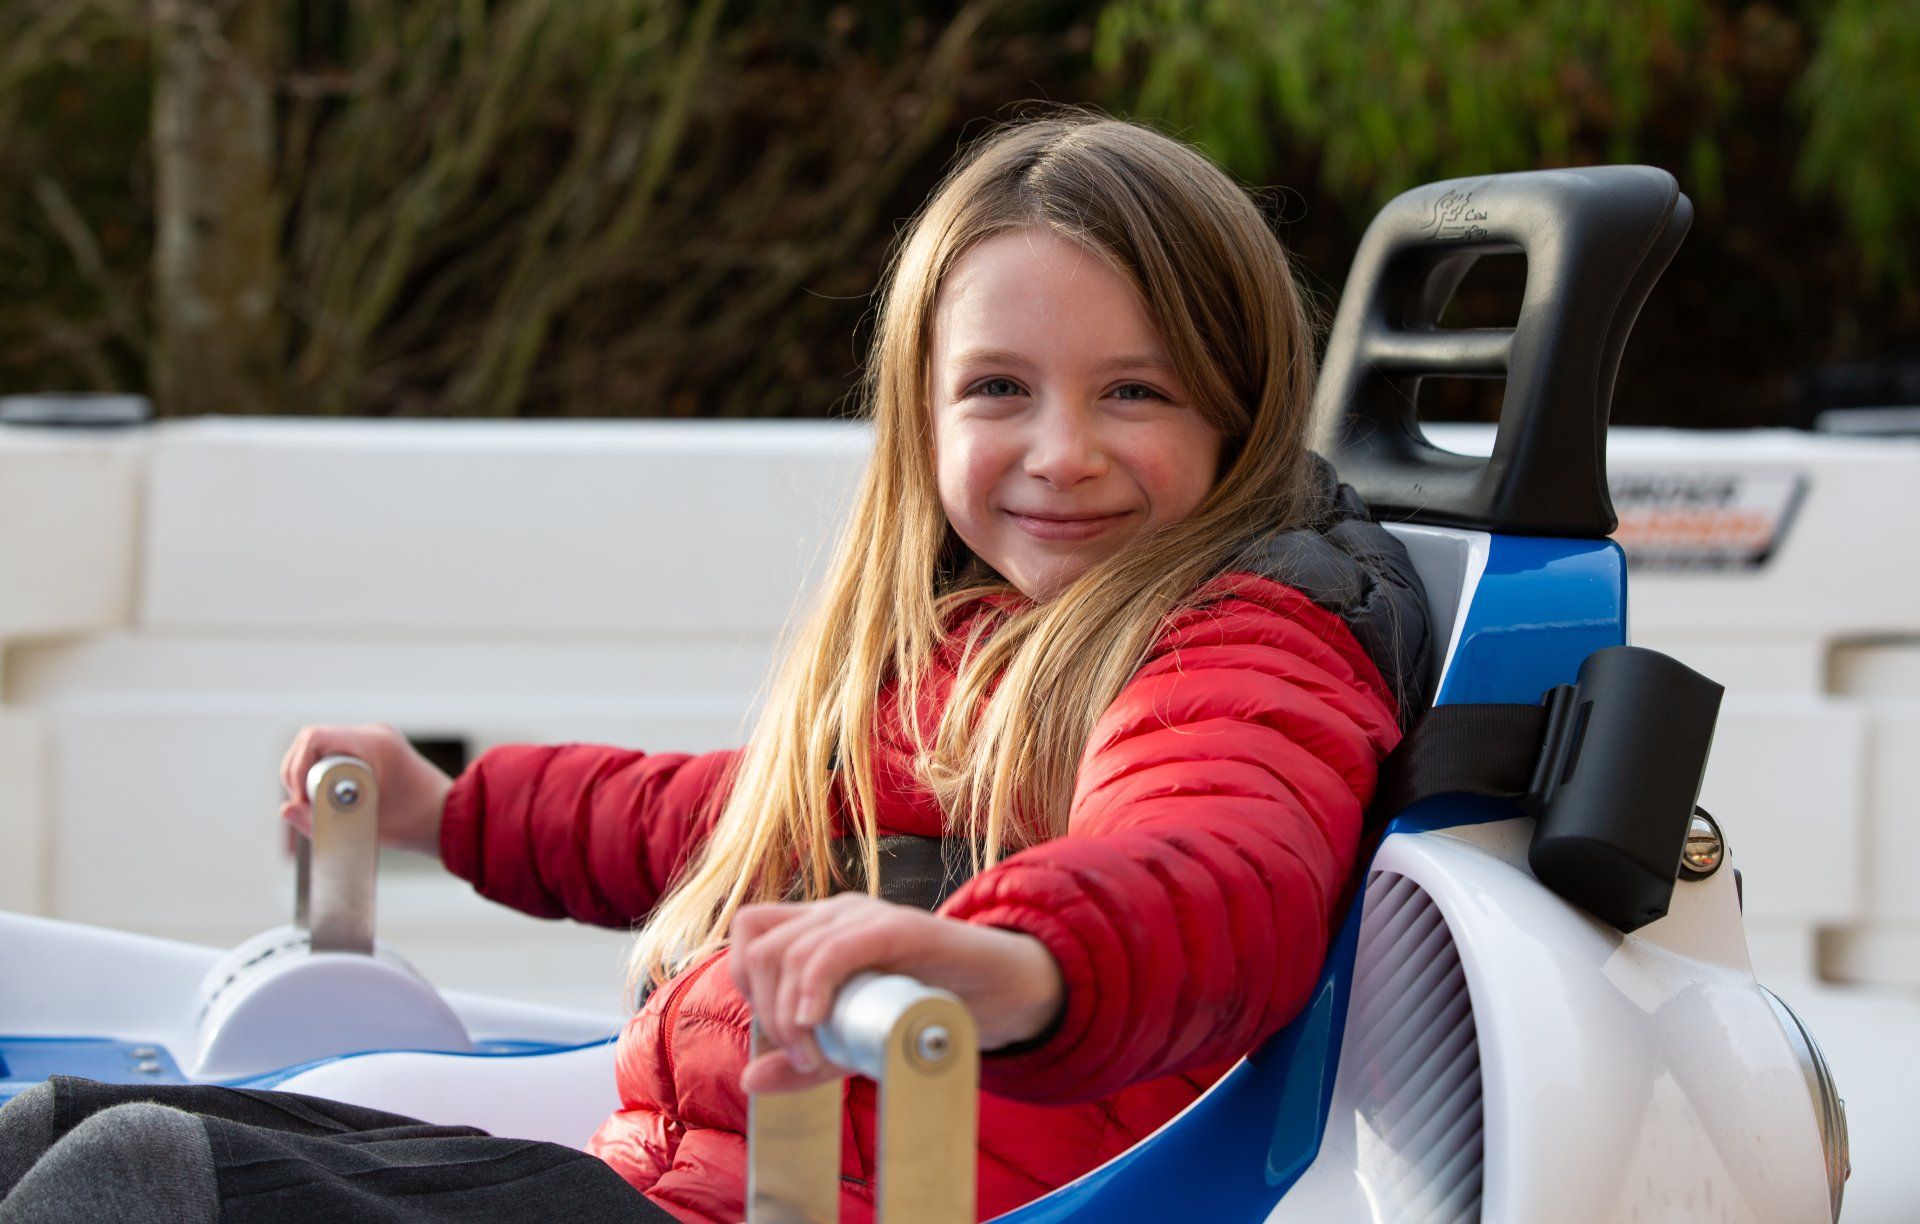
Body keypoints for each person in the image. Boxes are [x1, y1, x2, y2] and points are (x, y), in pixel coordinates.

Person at [0, 112, 1426, 1224]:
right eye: (1000, 388)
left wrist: (1018, 960)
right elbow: (728, 817)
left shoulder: (1246, 637)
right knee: (47, 1131)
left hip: (833, 1199)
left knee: (135, 1185)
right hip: (671, 1171)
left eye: (1135, 391)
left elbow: (1216, 867)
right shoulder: (988, 637)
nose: (1062, 452)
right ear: (921, 415)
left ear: (1240, 410)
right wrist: (457, 810)